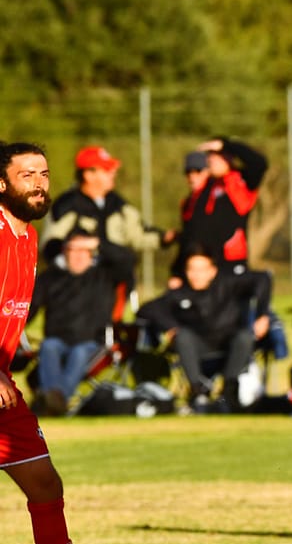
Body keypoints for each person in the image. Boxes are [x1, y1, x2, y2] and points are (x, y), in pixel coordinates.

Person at [0, 141, 123, 544]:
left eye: (44, 174)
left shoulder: (28, 238)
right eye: (26, 174)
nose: (38, 183)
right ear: (2, 183)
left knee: (46, 484)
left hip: (4, 390)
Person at [137, 244, 272, 413]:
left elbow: (263, 279)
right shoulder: (179, 293)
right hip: (196, 350)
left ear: (212, 271)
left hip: (230, 347)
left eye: (202, 269)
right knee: (183, 336)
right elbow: (147, 309)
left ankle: (229, 392)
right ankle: (197, 392)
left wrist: (262, 315)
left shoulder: (228, 284)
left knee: (244, 336)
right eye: (192, 269)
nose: (197, 275)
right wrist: (171, 327)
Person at [41, 145, 177, 311]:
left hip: (114, 273)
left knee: (126, 261)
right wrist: (75, 253)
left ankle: (113, 324)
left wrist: (166, 238)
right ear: (88, 174)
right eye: (106, 170)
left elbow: (138, 234)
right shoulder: (67, 205)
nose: (113, 173)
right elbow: (50, 245)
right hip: (79, 277)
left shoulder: (118, 205)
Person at [28, 229, 136, 416]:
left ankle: (54, 401)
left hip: (94, 342)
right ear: (64, 251)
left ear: (91, 252)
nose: (78, 255)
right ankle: (55, 400)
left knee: (79, 352)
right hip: (57, 340)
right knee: (49, 346)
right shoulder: (50, 278)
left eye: (84, 250)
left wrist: (98, 243)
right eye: (73, 249)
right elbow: (30, 308)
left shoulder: (105, 275)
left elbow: (128, 260)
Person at [171, 137, 268, 280]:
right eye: (210, 156)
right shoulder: (205, 190)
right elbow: (193, 232)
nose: (212, 160)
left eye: (217, 155)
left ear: (228, 157)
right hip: (206, 266)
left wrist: (226, 145)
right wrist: (177, 272)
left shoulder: (240, 181)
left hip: (231, 262)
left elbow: (259, 164)